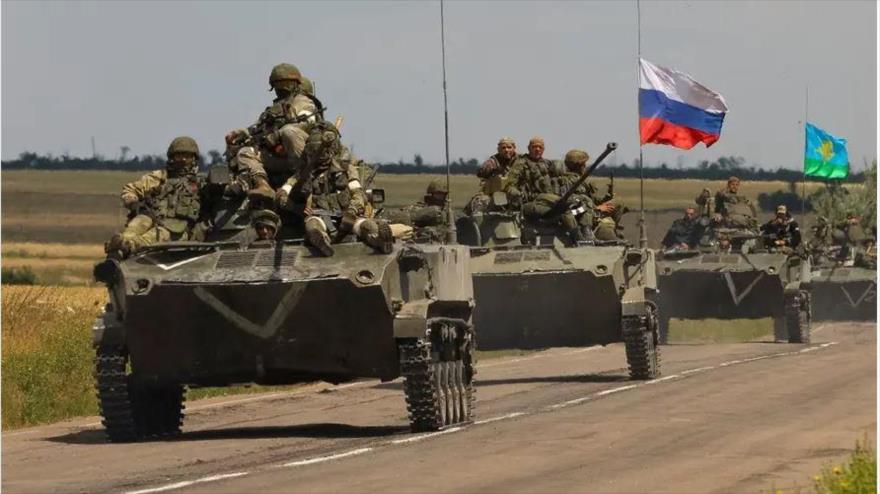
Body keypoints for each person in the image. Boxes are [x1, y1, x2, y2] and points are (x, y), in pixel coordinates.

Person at [277, 122, 393, 256]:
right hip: (319, 215)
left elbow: (358, 193)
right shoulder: (303, 174)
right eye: (313, 151)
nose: (319, 156)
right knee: (313, 226)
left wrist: (352, 210)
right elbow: (284, 193)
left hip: (347, 215)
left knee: (365, 226)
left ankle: (381, 240)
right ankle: (322, 242)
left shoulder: (345, 169)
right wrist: (294, 206)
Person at [225, 63, 322, 201]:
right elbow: (258, 129)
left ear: (296, 84)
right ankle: (263, 185)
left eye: (286, 83)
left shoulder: (304, 102)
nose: (282, 87)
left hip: (303, 158)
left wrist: (276, 135)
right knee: (245, 152)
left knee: (289, 132)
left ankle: (303, 178)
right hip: (278, 158)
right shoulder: (272, 111)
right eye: (278, 83)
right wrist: (243, 133)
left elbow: (306, 123)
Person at [105, 136, 206, 259]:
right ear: (172, 158)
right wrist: (133, 202)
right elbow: (130, 189)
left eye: (187, 156)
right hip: (151, 218)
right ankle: (118, 246)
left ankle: (127, 247)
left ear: (194, 159)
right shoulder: (159, 178)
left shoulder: (201, 183)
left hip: (178, 229)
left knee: (154, 236)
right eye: (179, 155)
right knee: (135, 226)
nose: (183, 159)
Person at [383, 180, 453, 242]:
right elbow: (396, 217)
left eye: (443, 194)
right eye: (438, 194)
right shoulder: (418, 209)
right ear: (431, 194)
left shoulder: (447, 211)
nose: (441, 197)